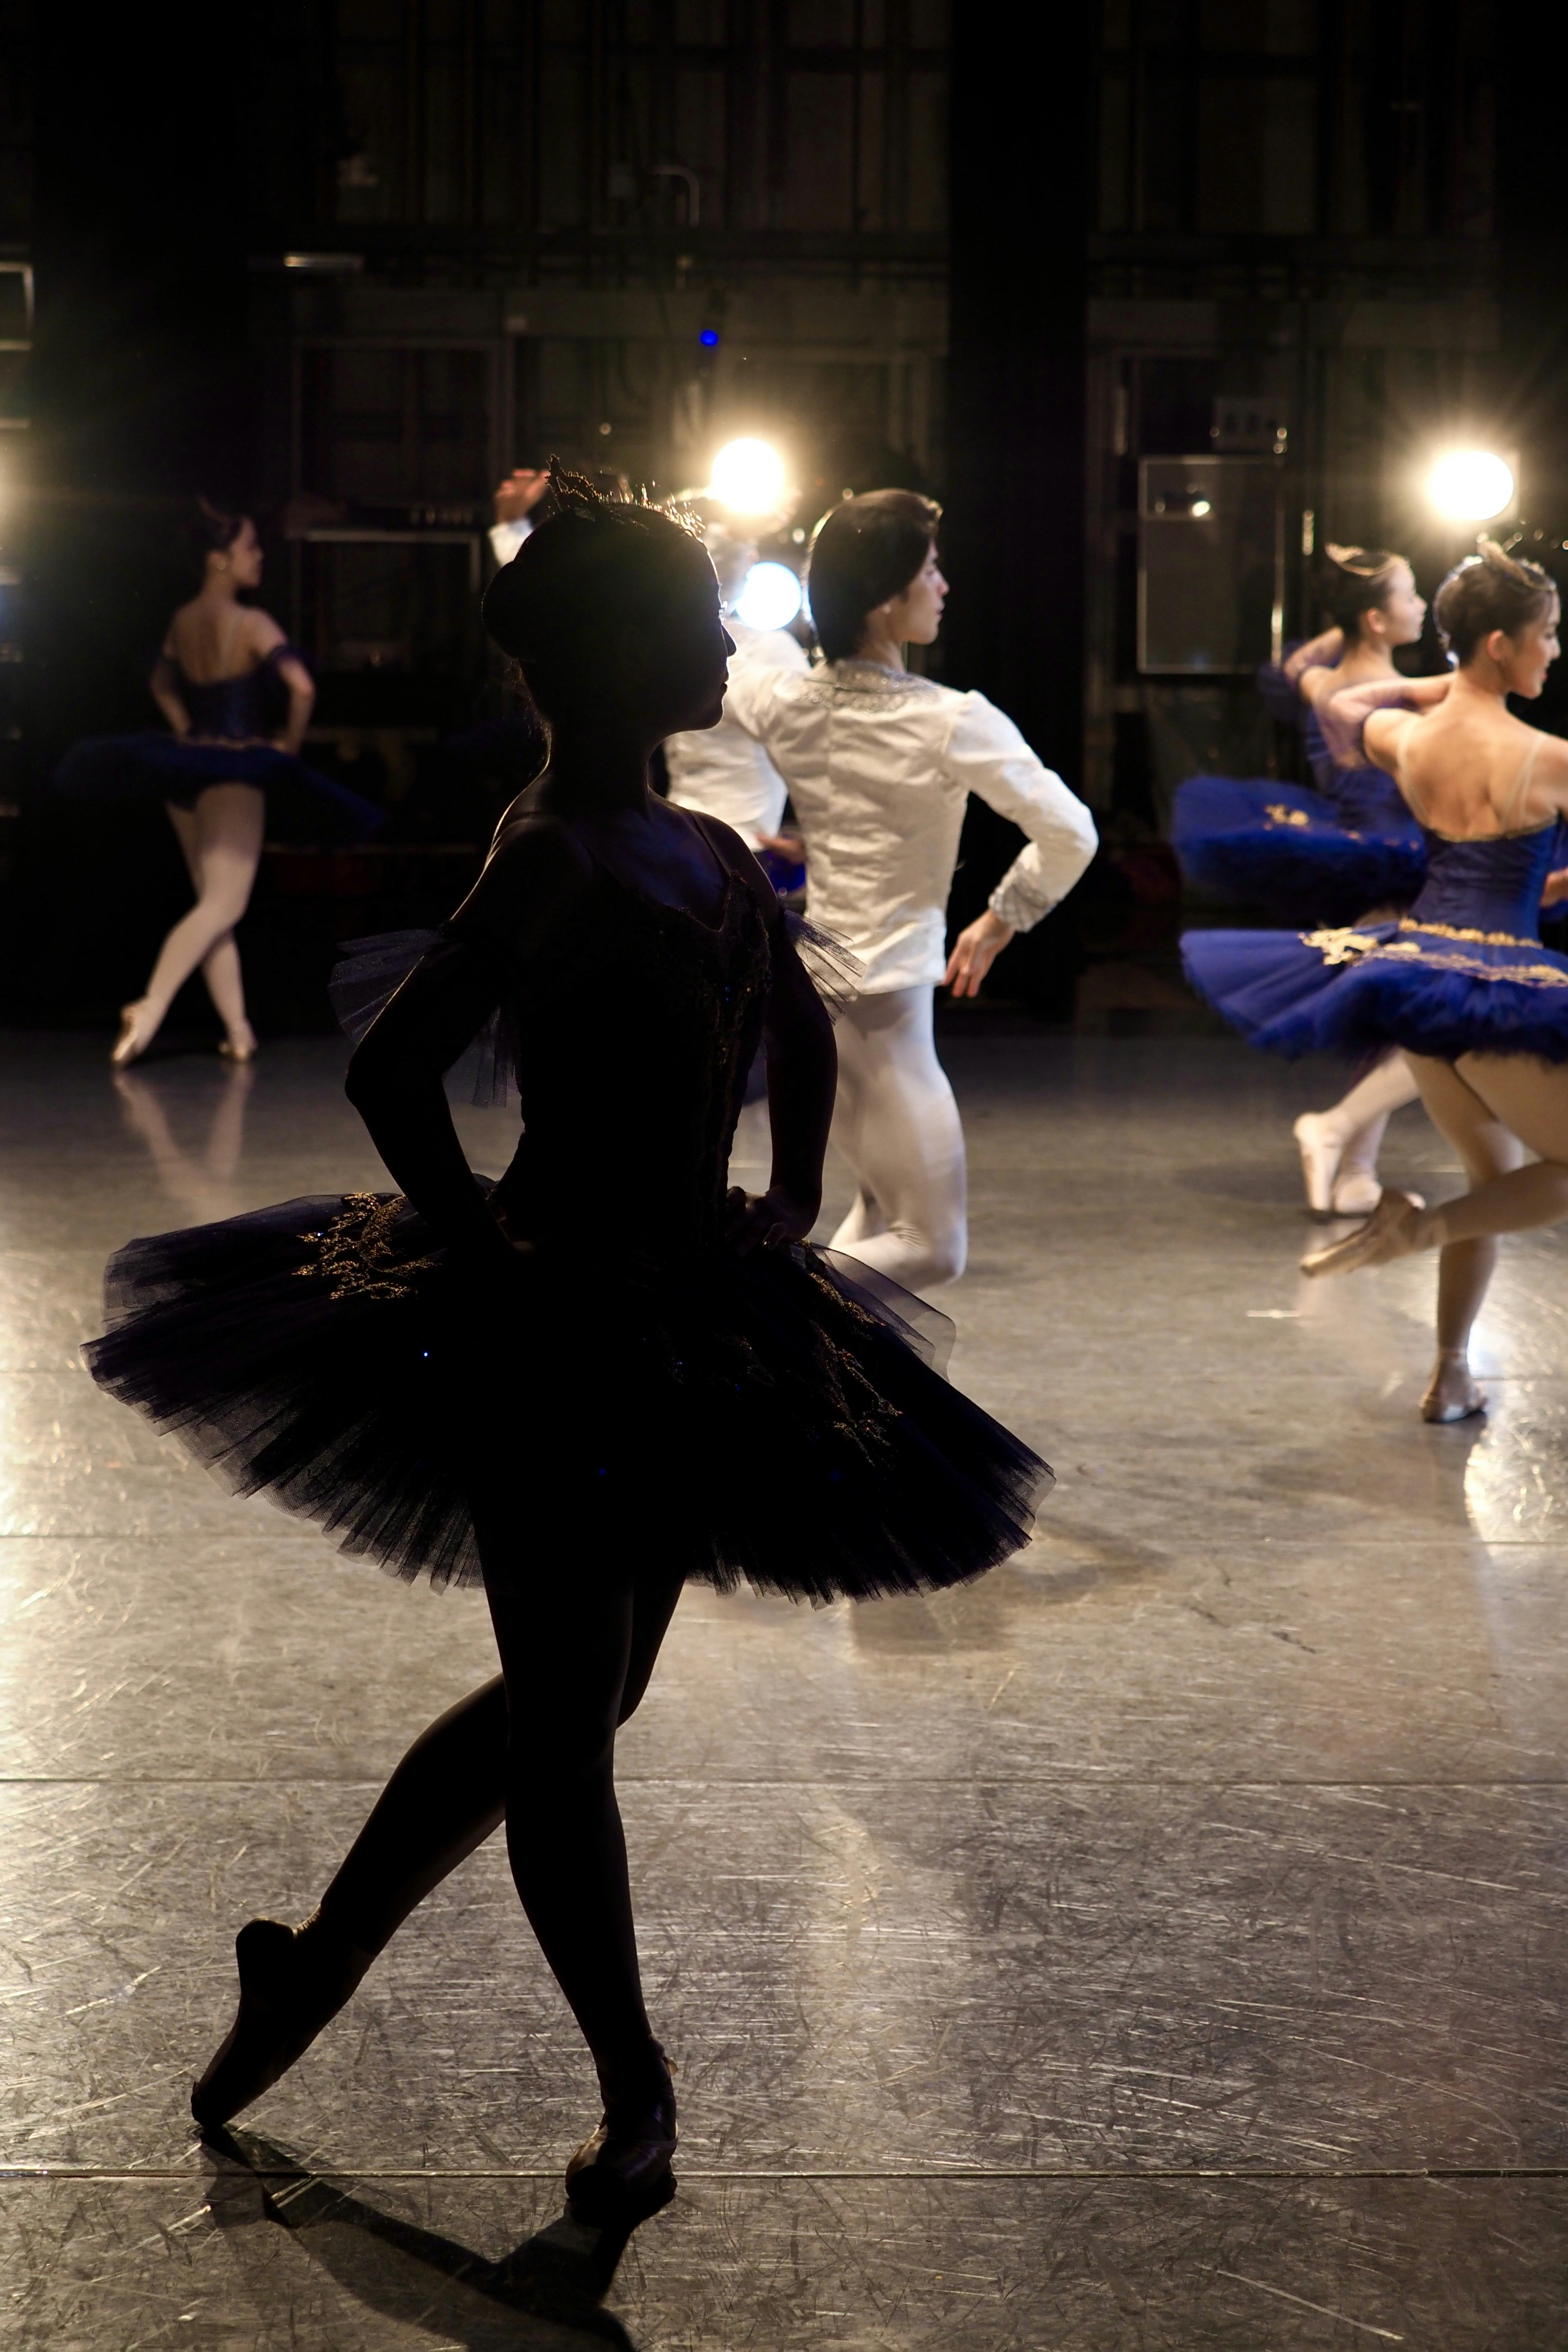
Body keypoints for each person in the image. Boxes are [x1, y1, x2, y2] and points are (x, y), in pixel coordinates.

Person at [83, 465, 1052, 2220]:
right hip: (561, 1316)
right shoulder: (554, 851)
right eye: (693, 623)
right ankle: (637, 2088)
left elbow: (806, 1017)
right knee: (568, 1722)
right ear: (621, 665)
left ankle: (312, 1963)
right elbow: (395, 1065)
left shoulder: (692, 842)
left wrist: (790, 1196)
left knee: (582, 1694)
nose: (719, 642)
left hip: (680, 1308)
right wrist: (483, 1245)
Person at [1184, 540, 1568, 1423]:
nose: (1555, 649)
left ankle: (1449, 1377)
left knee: (1490, 1185)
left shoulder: (1406, 734)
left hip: (1410, 977)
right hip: (1500, 992)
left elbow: (1344, 702)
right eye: (1546, 634)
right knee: (1510, 1187)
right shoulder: (1544, 755)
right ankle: (1415, 1229)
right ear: (1502, 644)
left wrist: (1446, 686)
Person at [726, 490, 1099, 1293]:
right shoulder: (949, 721)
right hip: (888, 1014)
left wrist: (734, 551)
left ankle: (821, 1402)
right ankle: (755, 1325)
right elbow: (1073, 831)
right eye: (931, 570)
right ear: (889, 600)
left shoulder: (781, 698)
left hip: (815, 997)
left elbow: (732, 650)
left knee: (875, 1217)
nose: (945, 586)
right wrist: (1002, 920)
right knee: (932, 1246)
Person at [54, 500, 381, 1066]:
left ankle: (238, 1031)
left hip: (185, 769)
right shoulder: (252, 623)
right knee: (223, 906)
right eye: (250, 547)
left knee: (214, 906)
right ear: (219, 560)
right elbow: (301, 687)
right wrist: (287, 751)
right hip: (236, 769)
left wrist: (187, 731)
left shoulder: (183, 620)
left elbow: (162, 682)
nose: (259, 557)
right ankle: (151, 1006)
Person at [1177, 547, 1432, 1217]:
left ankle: (1356, 1168)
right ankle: (1339, 1134)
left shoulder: (1325, 681)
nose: (1423, 605)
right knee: (1437, 1018)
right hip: (1393, 858)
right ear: (1378, 620)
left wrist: (1346, 595)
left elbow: (1295, 663)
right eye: (1410, 595)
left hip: (1368, 857)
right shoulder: (1379, 699)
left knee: (1400, 1019)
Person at [664, 516, 808, 853]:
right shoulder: (772, 649)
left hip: (680, 831)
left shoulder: (671, 647)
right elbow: (819, 741)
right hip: (736, 845)